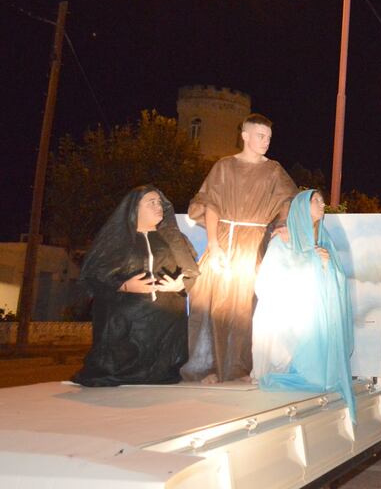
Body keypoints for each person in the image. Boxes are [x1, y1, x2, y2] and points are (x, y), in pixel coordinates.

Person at [181, 113, 297, 383]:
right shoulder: (224, 166)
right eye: (260, 136)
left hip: (254, 246)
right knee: (210, 303)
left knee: (247, 307)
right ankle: (209, 367)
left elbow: (288, 202)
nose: (266, 141)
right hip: (224, 241)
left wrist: (283, 225)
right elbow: (212, 204)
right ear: (245, 135)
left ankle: (241, 368)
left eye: (268, 137)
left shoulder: (274, 170)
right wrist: (214, 244)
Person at [72, 186, 199, 387]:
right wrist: (123, 285)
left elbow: (192, 272)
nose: (158, 207)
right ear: (134, 208)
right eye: (151, 202)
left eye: (160, 203)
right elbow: (94, 275)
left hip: (166, 322)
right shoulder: (116, 242)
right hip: (126, 321)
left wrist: (179, 283)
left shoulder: (176, 241)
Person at [251, 190, 355, 413]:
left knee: (319, 377)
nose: (322, 204)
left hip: (316, 317)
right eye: (316, 200)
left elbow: (338, 279)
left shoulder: (323, 239)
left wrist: (326, 266)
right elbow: (267, 283)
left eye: (322, 200)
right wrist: (311, 264)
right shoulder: (284, 240)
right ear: (301, 207)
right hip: (291, 319)